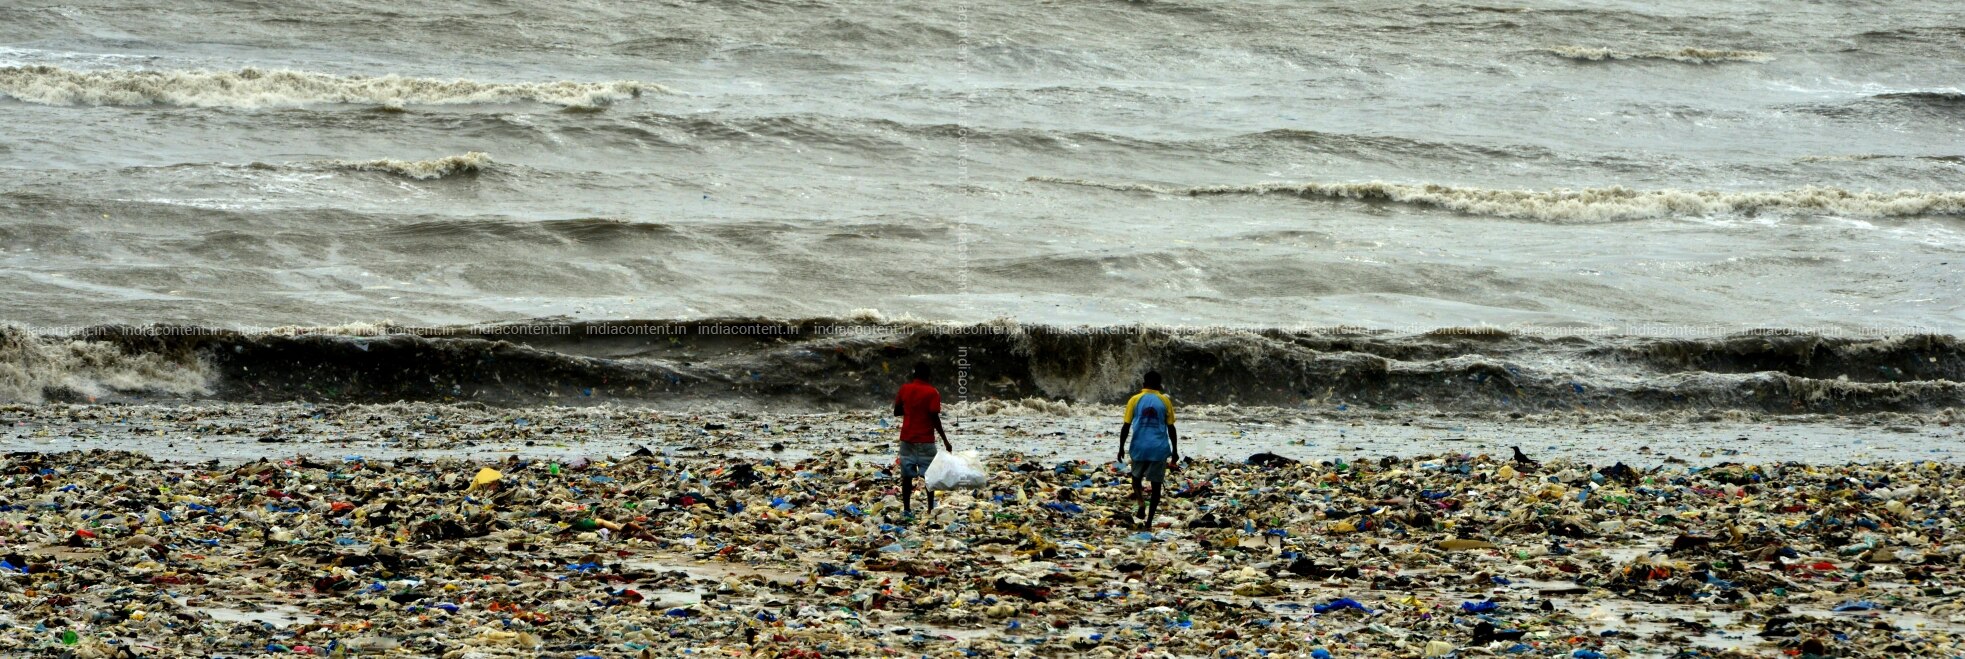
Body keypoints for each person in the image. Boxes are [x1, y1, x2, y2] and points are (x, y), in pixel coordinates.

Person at [1117, 371, 1179, 529]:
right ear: (1159, 385)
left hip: (1139, 447)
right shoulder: (1164, 401)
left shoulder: (1134, 400)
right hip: (1159, 449)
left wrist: (1121, 448)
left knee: (1136, 478)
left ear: (1143, 384)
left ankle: (1140, 503)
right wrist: (1175, 451)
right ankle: (1150, 522)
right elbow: (1171, 428)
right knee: (1156, 486)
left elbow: (1126, 426)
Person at [894, 362, 953, 517]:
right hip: (926, 440)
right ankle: (929, 509)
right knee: (929, 477)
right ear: (928, 375)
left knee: (907, 477)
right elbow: (934, 418)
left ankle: (906, 509)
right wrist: (946, 441)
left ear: (914, 374)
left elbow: (896, 411)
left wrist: (910, 409)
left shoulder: (904, 389)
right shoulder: (932, 393)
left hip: (907, 439)